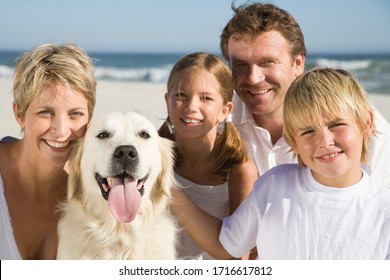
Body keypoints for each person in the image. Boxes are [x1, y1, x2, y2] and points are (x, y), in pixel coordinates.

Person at [170, 68, 390, 260]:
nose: (325, 142)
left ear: (366, 123)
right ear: (293, 140)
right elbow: (225, 245)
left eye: (337, 124)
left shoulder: (383, 210)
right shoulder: (274, 184)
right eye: (308, 131)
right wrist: (167, 187)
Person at [220, 2, 390, 187]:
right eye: (241, 65)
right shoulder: (219, 123)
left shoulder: (354, 123)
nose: (253, 78)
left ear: (298, 63)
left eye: (267, 62)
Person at [0, 43, 96, 259]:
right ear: (19, 114)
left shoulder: (93, 194)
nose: (61, 131)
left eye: (75, 114)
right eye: (45, 112)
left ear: (90, 117)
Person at [159, 52, 258, 259]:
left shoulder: (239, 170)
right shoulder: (152, 156)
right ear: (168, 101)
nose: (191, 106)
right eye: (180, 95)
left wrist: (168, 188)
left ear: (225, 110)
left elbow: (237, 257)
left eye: (205, 98)